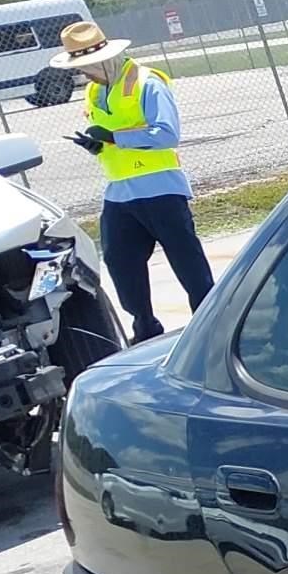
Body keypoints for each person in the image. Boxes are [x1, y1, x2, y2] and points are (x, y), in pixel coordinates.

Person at [55, 20, 213, 343]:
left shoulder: (147, 82)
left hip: (161, 188)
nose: (83, 73)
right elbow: (109, 138)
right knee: (119, 259)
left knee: (186, 260)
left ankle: (212, 320)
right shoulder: (94, 90)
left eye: (85, 66)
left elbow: (167, 133)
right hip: (120, 191)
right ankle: (145, 328)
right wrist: (96, 145)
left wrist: (115, 137)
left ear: (103, 59)